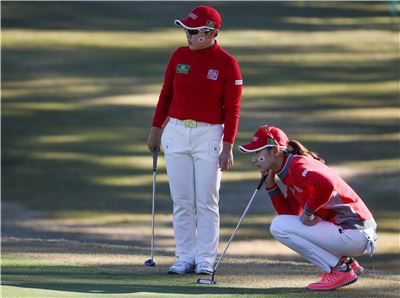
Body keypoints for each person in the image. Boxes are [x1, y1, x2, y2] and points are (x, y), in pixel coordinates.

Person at [147, 5, 243, 275]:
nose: (188, 35)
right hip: (176, 132)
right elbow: (166, 94)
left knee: (206, 201)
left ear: (212, 32)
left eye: (194, 30)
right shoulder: (179, 56)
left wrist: (228, 145)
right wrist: (156, 130)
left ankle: (205, 259)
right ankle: (184, 256)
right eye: (186, 30)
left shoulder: (227, 63)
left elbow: (232, 109)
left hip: (209, 134)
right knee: (182, 200)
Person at [238, 125, 377, 291]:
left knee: (277, 226)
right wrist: (271, 186)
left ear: (275, 151)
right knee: (282, 224)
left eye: (257, 153)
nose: (254, 159)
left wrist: (308, 212)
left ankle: (339, 269)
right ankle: (347, 264)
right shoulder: (289, 171)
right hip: (353, 233)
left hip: (354, 233)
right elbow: (289, 215)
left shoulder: (297, 167)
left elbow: (326, 185)